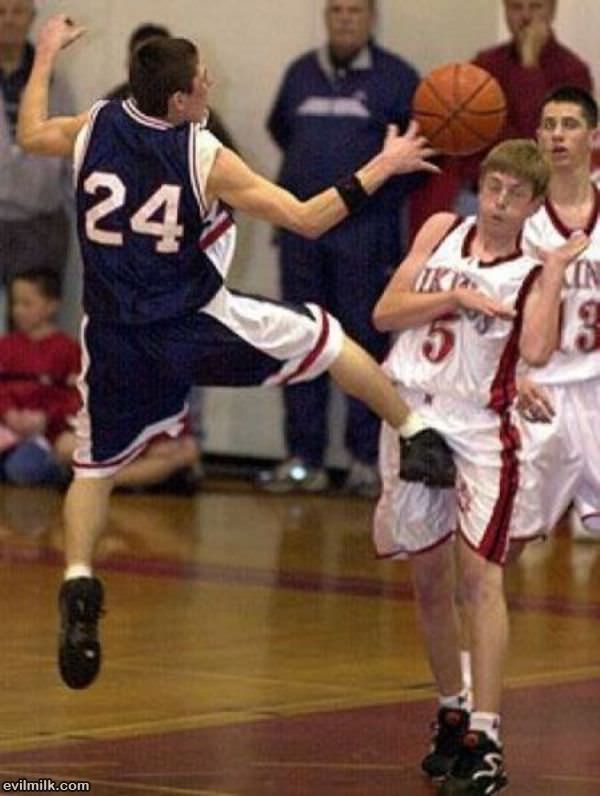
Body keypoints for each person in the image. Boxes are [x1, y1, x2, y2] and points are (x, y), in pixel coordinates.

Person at [17, 15, 455, 690]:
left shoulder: (96, 125)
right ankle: (416, 431)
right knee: (330, 337)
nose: (210, 83)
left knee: (95, 470)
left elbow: (27, 132)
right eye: (200, 82)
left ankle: (79, 580)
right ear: (179, 103)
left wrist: (44, 53)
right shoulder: (202, 154)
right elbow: (308, 218)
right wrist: (382, 166)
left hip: (111, 337)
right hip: (193, 322)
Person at [372, 139, 587, 794]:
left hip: (477, 428)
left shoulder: (529, 268)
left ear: (532, 204)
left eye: (514, 194)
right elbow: (385, 313)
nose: (497, 201)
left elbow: (540, 349)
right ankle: (452, 710)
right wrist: (456, 298)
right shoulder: (442, 230)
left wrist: (553, 275)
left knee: (480, 579)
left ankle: (487, 738)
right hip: (409, 412)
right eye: (492, 186)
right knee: (429, 582)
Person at [260, 0, 422, 496]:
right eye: (336, 10)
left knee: (363, 346)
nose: (345, 18)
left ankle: (365, 461)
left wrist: (371, 209)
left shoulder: (397, 79)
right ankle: (303, 458)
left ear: (372, 17)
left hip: (365, 237)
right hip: (301, 235)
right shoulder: (300, 74)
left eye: (355, 10)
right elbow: (281, 130)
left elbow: (414, 155)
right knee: (299, 341)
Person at [410, 0, 593, 230]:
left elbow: (536, 141)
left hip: (537, 203)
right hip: (475, 193)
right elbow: (464, 136)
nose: (525, 16)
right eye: (516, 7)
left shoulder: (573, 71)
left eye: (535, 6)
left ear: (552, 9)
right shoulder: (487, 62)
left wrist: (529, 65)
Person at [519, 86, 600, 543]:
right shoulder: (521, 218)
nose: (557, 135)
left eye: (569, 125)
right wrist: (512, 374)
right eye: (548, 125)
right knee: (511, 540)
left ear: (593, 136)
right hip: (539, 387)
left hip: (597, 382)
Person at [0, 0, 73, 315]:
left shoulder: (51, 80)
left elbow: (70, 151)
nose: (9, 21)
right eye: (0, 12)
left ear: (31, 17)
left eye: (17, 12)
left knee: (33, 330)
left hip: (41, 225)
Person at [0, 267, 80, 485]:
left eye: (27, 304)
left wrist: (46, 418)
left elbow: (75, 397)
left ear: (51, 306)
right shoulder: (6, 346)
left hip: (46, 434)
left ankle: (59, 469)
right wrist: (8, 413)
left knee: (21, 470)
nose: (18, 310)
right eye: (15, 303)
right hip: (7, 426)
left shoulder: (68, 349)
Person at [105, 21, 237, 151]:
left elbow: (233, 164)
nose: (154, 70)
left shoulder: (200, 130)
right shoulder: (107, 115)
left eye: (162, 61)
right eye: (147, 62)